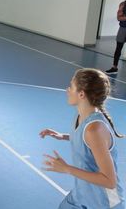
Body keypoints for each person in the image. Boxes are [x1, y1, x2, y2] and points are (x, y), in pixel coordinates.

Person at [40, 68, 124, 208]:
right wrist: (64, 136)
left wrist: (66, 168)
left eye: (71, 86)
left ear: (81, 94)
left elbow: (110, 181)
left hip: (102, 202)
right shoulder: (81, 115)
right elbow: (85, 141)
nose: (67, 89)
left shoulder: (94, 129)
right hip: (84, 193)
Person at [105, 1, 126, 74]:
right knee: (118, 48)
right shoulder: (123, 4)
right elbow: (119, 17)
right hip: (123, 29)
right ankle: (114, 67)